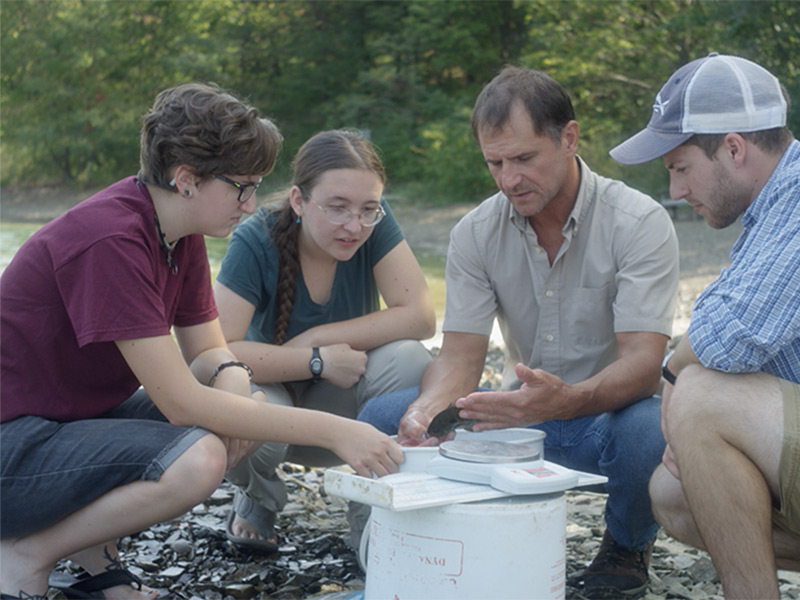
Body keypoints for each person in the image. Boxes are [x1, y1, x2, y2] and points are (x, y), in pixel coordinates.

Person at [0, 84, 406, 600]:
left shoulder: (178, 231)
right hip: (15, 446)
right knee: (199, 460)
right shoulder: (111, 240)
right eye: (242, 186)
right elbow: (180, 402)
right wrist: (336, 431)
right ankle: (24, 557)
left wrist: (235, 387)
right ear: (186, 179)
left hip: (61, 426)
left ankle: (90, 556)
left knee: (241, 409)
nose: (253, 203)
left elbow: (212, 354)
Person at [358, 66, 679, 598]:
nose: (509, 179)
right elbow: (461, 355)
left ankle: (625, 542)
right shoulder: (476, 232)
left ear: (569, 138)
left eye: (524, 159)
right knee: (382, 417)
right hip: (519, 418)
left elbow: (644, 364)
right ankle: (409, 537)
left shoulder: (638, 221)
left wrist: (565, 400)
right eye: (495, 163)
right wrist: (429, 408)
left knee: (655, 429)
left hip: (607, 415)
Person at [610, 52, 800, 598]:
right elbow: (720, 310)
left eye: (679, 167)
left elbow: (733, 335)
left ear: (734, 149)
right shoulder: (774, 206)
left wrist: (671, 377)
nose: (674, 190)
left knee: (701, 394)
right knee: (674, 493)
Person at [214, 128, 436, 552]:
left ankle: (372, 510)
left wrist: (319, 337)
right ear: (298, 200)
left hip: (348, 407)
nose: (354, 226)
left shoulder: (375, 224)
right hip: (274, 413)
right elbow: (217, 351)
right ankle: (258, 497)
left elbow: (421, 316)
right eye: (337, 208)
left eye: (367, 208)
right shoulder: (254, 240)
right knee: (230, 399)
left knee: (411, 358)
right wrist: (314, 360)